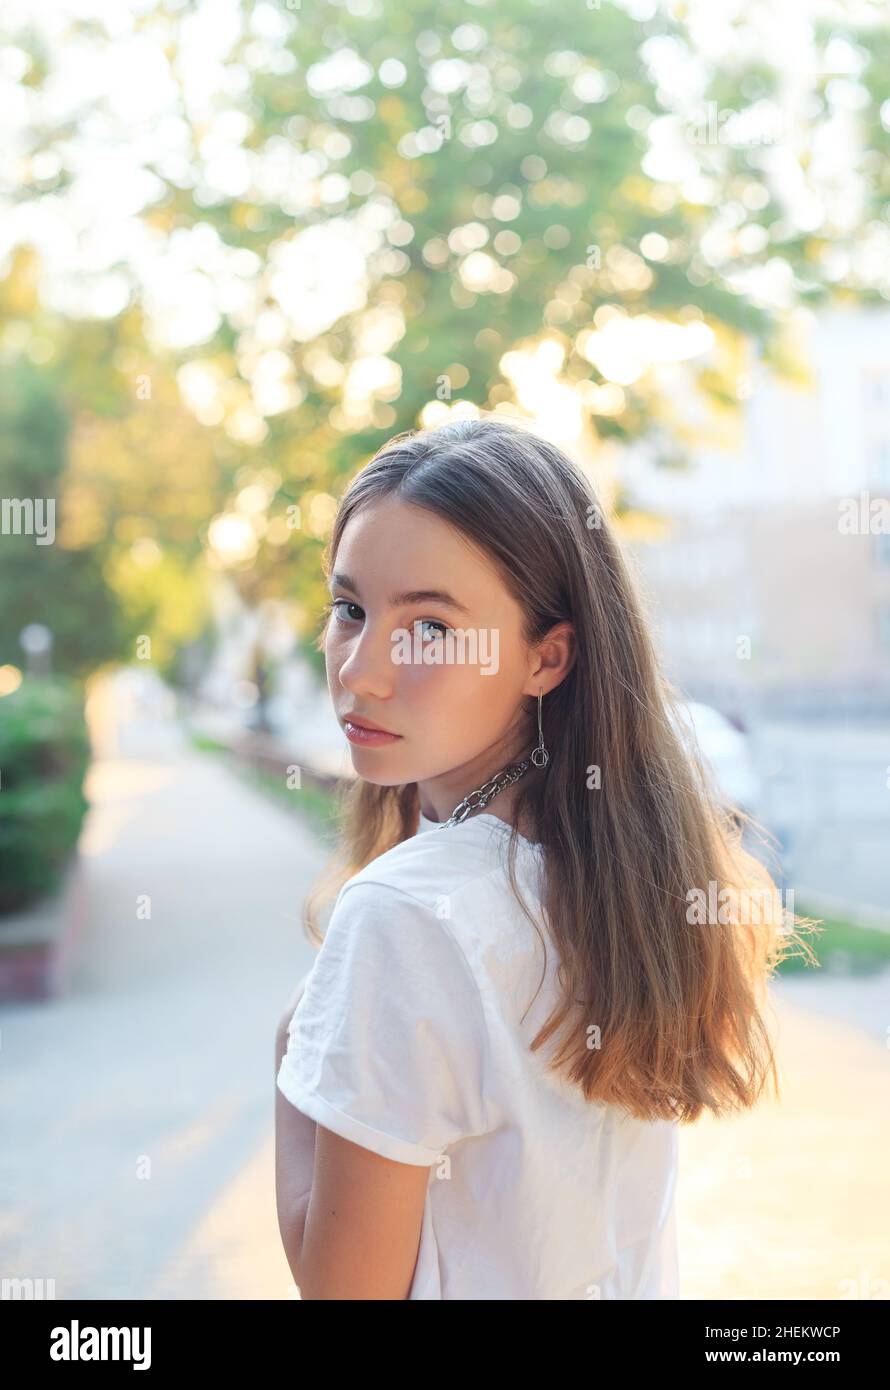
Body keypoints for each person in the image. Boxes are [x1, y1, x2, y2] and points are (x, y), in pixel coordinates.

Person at [274, 415, 816, 1300]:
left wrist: (289, 1055)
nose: (361, 669)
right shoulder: (623, 876)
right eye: (350, 610)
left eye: (430, 627)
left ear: (546, 657)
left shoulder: (404, 914)